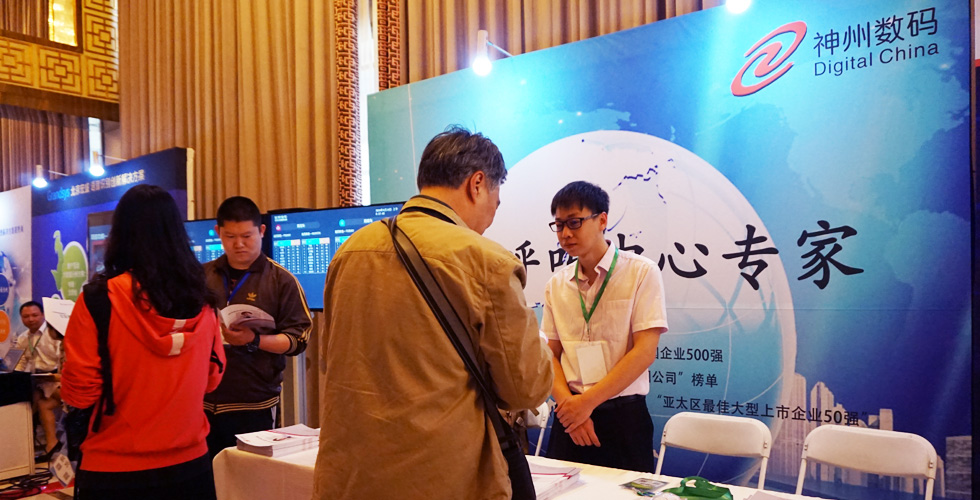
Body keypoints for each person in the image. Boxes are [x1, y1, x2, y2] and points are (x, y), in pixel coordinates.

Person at [312, 127, 553, 500]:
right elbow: (525, 389)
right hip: (440, 475)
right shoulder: (487, 261)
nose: (492, 215)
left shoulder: (350, 250)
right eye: (496, 201)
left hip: (350, 476)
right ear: (477, 184)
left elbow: (332, 359)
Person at [61, 184, 226, 500]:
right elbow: (212, 378)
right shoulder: (204, 303)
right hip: (190, 464)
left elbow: (81, 392)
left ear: (120, 234)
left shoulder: (99, 299)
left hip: (113, 468)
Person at [542, 181, 668, 472]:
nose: (565, 233)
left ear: (602, 220)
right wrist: (570, 407)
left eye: (574, 222)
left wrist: (587, 403)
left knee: (625, 491)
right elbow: (549, 354)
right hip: (570, 416)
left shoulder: (641, 272)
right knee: (563, 491)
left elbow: (644, 352)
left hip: (623, 417)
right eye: (559, 225)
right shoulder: (556, 285)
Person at [203, 196, 312, 457]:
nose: (239, 244)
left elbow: (298, 340)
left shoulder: (281, 280)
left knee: (248, 475)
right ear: (218, 232)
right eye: (230, 236)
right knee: (207, 476)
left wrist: (253, 339)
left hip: (254, 403)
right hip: (202, 401)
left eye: (247, 236)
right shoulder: (201, 276)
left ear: (261, 231)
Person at [13, 301, 64, 462]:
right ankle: (32, 446)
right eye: (26, 316)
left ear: (43, 315)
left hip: (57, 379)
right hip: (39, 380)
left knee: (39, 403)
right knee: (28, 402)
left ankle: (46, 445)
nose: (31, 319)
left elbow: (63, 360)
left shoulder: (53, 334)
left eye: (35, 315)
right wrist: (15, 374)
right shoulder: (23, 337)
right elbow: (20, 361)